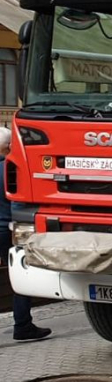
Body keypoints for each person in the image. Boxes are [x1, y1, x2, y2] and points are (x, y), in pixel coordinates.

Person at [0, 127, 51, 341]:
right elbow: (21, 203)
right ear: (10, 146)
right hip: (7, 230)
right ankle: (22, 326)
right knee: (20, 277)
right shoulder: (11, 169)